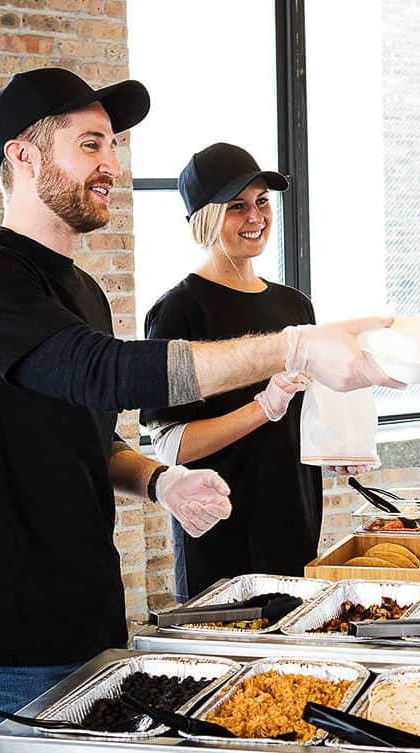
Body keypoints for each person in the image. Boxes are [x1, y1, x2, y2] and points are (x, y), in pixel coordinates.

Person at [0, 68, 398, 753]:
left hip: (90, 610)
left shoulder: (80, 290)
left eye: (113, 146)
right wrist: (292, 348)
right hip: (4, 630)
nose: (112, 165)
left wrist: (157, 479)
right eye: (90, 146)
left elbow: (90, 428)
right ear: (23, 156)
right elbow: (101, 374)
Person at [140, 142, 322, 601]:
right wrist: (263, 408)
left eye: (262, 202)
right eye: (237, 207)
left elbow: (307, 413)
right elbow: (173, 445)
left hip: (294, 519)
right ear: (204, 218)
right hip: (219, 530)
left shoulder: (295, 305)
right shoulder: (179, 310)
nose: (256, 217)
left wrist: (334, 442)